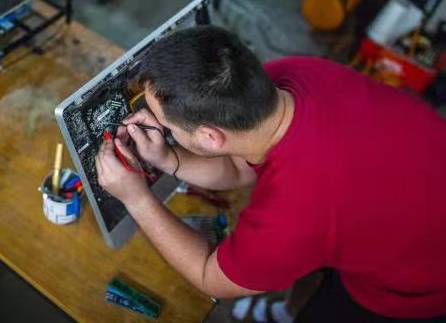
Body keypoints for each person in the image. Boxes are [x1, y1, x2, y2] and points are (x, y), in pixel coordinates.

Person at [94, 26, 446, 323]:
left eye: (168, 128)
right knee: (322, 259)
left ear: (210, 137)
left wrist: (137, 199)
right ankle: (287, 309)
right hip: (407, 192)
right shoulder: (292, 74)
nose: (163, 129)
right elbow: (239, 167)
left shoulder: (295, 215)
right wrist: (168, 157)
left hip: (419, 284)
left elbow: (210, 275)